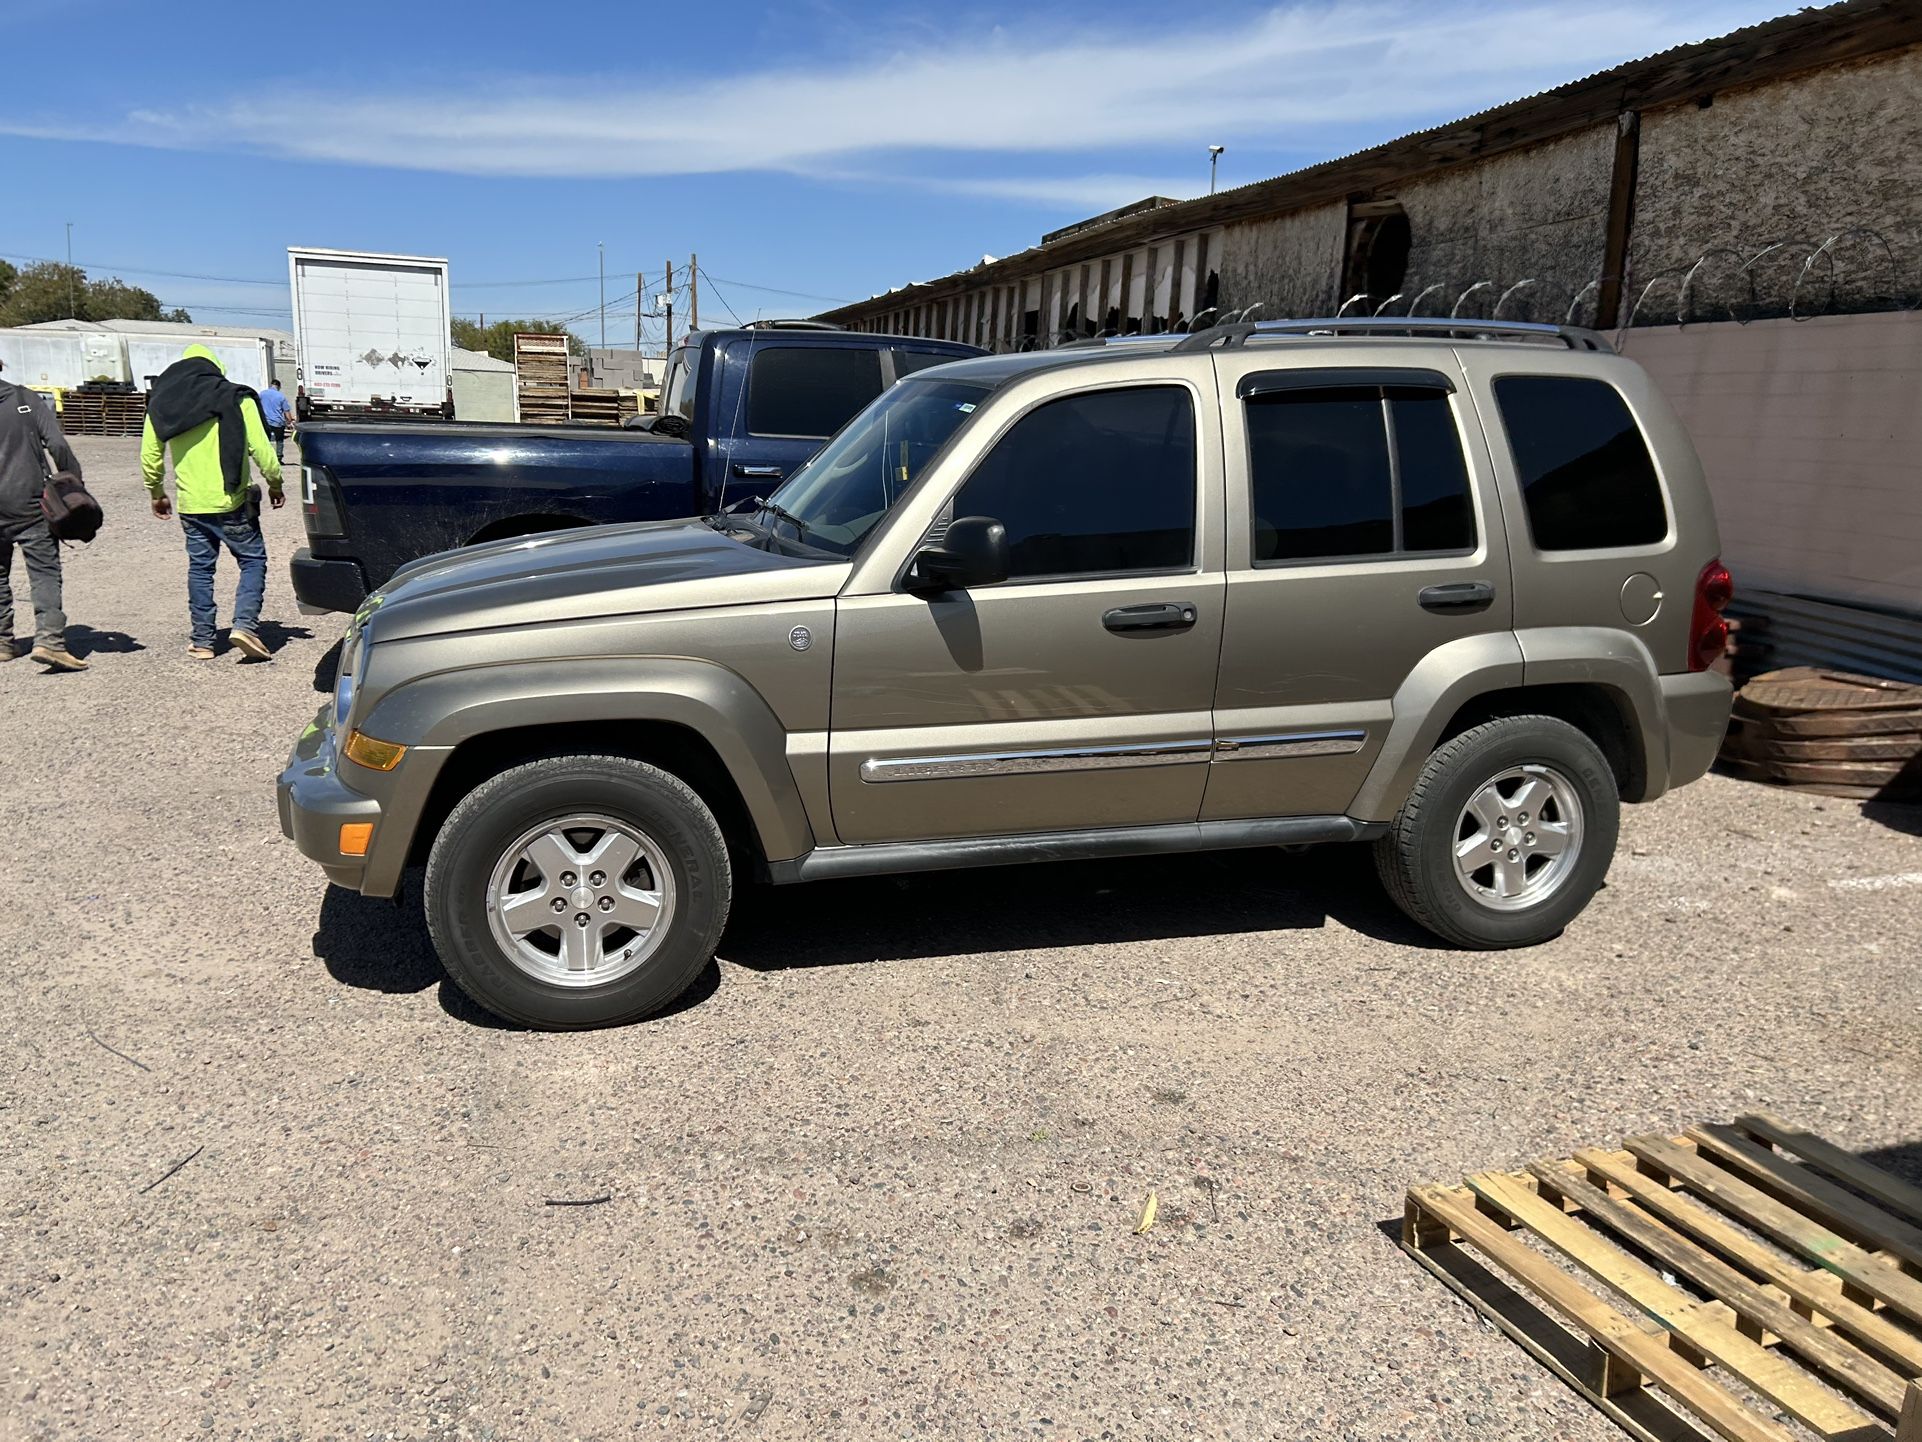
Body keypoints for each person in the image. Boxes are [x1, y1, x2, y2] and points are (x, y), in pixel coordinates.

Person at [141, 344, 284, 661]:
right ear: (215, 368)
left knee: (201, 570)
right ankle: (245, 626)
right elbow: (263, 451)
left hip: (191, 506)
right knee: (252, 560)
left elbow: (150, 458)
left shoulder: (162, 402)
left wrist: (156, 493)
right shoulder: (236, 397)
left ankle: (203, 641)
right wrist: (275, 483)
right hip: (232, 501)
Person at [0, 358, 89, 671]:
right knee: (43, 572)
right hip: (30, 502)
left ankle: (3, 642)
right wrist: (74, 483)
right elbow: (57, 444)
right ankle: (49, 641)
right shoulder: (25, 399)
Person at [258, 376, 293, 461]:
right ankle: (279, 457)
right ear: (278, 386)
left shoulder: (262, 394)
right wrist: (289, 422)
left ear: (271, 385)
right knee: (279, 441)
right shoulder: (281, 396)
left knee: (266, 440)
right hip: (278, 422)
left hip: (265, 421)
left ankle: (265, 457)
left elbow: (257, 406)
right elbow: (286, 412)